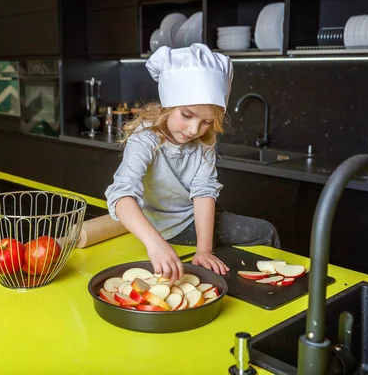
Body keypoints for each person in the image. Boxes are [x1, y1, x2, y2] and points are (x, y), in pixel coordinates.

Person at [105, 43, 280, 283]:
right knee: (264, 233)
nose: (194, 129)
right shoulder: (145, 140)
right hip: (164, 228)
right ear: (168, 104)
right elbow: (122, 196)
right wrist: (156, 244)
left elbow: (204, 192)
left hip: (196, 218)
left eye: (206, 121)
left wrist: (204, 250)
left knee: (266, 232)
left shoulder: (204, 140)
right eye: (187, 115)